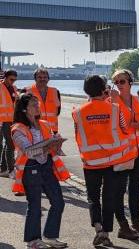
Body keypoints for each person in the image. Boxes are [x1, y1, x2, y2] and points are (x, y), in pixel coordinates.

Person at [72, 75, 138, 247]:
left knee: (93, 198)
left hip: (90, 162)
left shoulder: (78, 112)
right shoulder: (115, 109)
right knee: (108, 198)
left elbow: (77, 135)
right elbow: (125, 127)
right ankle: (106, 234)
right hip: (112, 162)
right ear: (104, 90)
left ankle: (99, 229)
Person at [12, 93, 70, 249]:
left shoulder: (44, 124)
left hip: (46, 167)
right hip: (30, 169)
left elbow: (52, 149)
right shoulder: (17, 129)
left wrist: (57, 143)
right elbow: (28, 151)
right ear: (24, 109)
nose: (38, 107)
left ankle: (50, 236)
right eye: (34, 105)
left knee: (58, 202)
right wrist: (48, 144)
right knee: (35, 206)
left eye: (37, 104)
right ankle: (33, 241)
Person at [108, 69, 139, 240]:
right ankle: (123, 225)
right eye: (117, 82)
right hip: (122, 153)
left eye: (122, 81)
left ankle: (136, 225)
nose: (119, 85)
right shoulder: (112, 101)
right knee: (119, 191)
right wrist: (137, 125)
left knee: (134, 190)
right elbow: (120, 126)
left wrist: (136, 125)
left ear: (130, 82)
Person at [28, 68, 61, 133]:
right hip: (35, 130)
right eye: (39, 77)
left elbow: (58, 111)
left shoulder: (55, 91)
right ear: (35, 79)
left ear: (48, 79)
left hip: (52, 130)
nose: (42, 79)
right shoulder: (28, 91)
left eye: (45, 77)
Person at [0, 69, 19, 178]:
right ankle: (10, 170)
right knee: (9, 145)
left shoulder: (14, 88)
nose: (13, 82)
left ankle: (4, 169)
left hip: (11, 120)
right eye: (11, 79)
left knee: (9, 144)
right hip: (2, 121)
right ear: (5, 77)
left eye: (15, 80)